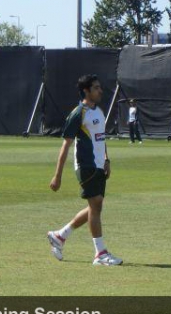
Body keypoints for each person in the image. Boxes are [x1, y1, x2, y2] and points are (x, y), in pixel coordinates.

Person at [47, 74, 123, 266]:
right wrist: (57, 176)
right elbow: (65, 145)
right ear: (86, 91)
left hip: (99, 165)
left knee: (94, 207)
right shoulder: (78, 113)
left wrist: (107, 159)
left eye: (99, 87)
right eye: (96, 88)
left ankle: (60, 235)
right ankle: (100, 254)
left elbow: (101, 138)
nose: (100, 90)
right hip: (85, 165)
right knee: (96, 205)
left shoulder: (99, 111)